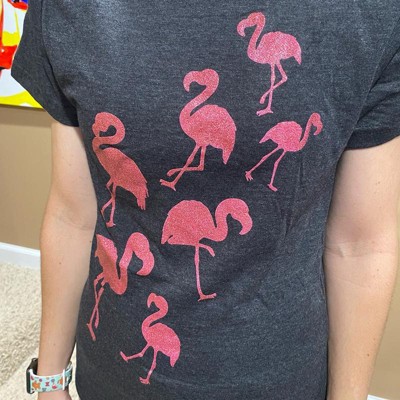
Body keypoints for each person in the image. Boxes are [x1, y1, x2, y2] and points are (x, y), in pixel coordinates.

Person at [10, 0, 400, 399]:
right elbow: (72, 215)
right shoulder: (71, 10)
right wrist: (49, 380)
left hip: (282, 376)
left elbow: (360, 245)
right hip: (114, 372)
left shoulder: (371, 13)